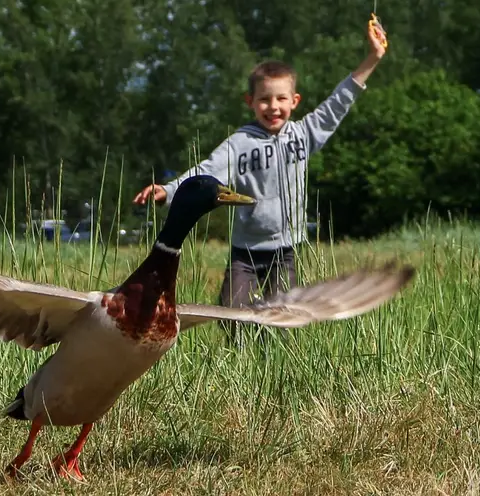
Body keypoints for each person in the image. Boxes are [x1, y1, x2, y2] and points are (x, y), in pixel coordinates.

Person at [133, 20, 388, 347]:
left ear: (295, 100)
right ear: (249, 101)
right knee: (231, 314)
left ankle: (274, 365)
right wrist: (168, 191)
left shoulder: (303, 134)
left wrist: (373, 58)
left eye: (281, 99)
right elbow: (206, 172)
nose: (273, 107)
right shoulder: (240, 143)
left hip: (286, 250)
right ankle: (241, 362)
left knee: (283, 320)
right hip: (245, 252)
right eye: (265, 99)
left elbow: (339, 101)